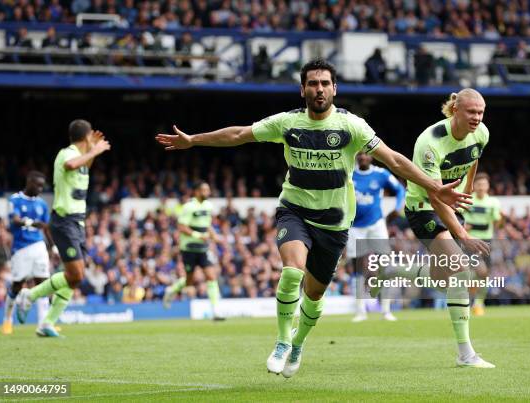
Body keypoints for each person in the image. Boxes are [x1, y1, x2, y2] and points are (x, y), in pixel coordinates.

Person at [155, 59, 471, 378]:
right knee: (292, 271)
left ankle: (298, 342)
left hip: (333, 224)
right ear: (302, 88)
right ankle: (281, 341)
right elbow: (239, 134)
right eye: (312, 83)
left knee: (314, 293)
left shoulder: (352, 126)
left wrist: (434, 187)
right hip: (294, 210)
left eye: (324, 83)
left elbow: (394, 160)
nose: (318, 89)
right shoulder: (287, 123)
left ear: (334, 89)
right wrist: (193, 140)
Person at [400, 88, 495, 368]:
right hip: (423, 208)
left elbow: (473, 158)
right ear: (456, 110)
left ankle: (393, 271)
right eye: (471, 112)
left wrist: (466, 192)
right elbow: (434, 196)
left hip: (450, 204)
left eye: (480, 112)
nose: (477, 117)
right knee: (460, 271)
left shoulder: (482, 133)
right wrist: (463, 235)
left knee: (448, 278)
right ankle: (466, 354)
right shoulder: (430, 142)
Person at [16, 119, 111, 337]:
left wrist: (93, 153)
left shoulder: (81, 159)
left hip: (77, 222)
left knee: (75, 276)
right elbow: (71, 165)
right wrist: (94, 149)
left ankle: (47, 323)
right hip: (64, 221)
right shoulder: (66, 154)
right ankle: (28, 296)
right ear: (86, 137)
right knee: (75, 274)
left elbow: (83, 168)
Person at [349, 152, 405, 322]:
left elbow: (400, 189)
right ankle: (360, 312)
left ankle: (386, 310)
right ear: (356, 156)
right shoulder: (349, 175)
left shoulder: (381, 174)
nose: (363, 157)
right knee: (357, 269)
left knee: (385, 267)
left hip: (376, 225)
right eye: (360, 154)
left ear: (372, 157)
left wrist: (397, 207)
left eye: (366, 154)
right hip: (355, 227)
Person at [163, 181, 224, 321]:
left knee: (211, 276)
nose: (207, 192)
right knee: (189, 282)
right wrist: (198, 236)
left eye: (208, 190)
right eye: (204, 190)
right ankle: (171, 290)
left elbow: (207, 225)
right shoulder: (188, 207)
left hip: (203, 248)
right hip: (189, 248)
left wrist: (215, 236)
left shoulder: (208, 206)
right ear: (196, 191)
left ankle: (216, 311)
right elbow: (181, 227)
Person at [2, 171, 54, 335]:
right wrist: (30, 222)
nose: (40, 188)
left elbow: (45, 227)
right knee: (17, 285)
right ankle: (8, 319)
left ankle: (43, 324)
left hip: (39, 246)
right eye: (37, 185)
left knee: (43, 284)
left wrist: (52, 247)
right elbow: (14, 220)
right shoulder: (15, 199)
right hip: (21, 248)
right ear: (29, 182)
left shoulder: (42, 204)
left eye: (42, 186)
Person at [463, 172, 502, 316]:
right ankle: (470, 301)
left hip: (487, 241)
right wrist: (464, 226)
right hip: (471, 242)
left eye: (484, 184)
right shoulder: (467, 200)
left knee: (484, 275)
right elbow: (457, 216)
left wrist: (494, 230)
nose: (481, 187)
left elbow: (497, 220)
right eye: (478, 184)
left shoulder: (493, 203)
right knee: (481, 270)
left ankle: (478, 303)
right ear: (474, 186)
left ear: (488, 186)